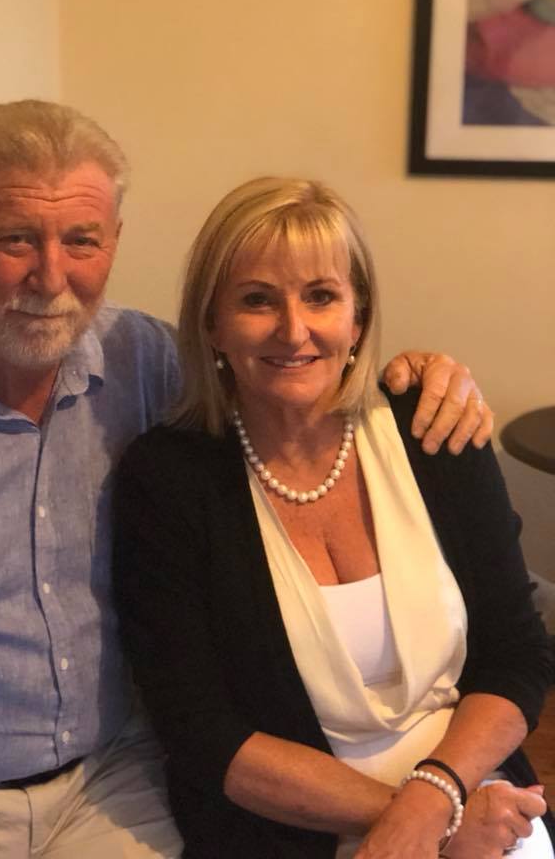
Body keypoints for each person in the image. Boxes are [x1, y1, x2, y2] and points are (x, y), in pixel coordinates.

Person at [0, 102, 492, 859]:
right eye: (14, 239)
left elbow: (288, 374)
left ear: (114, 241)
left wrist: (422, 377)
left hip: (110, 780)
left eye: (81, 240)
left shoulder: (143, 360)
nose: (51, 276)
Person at [113, 176, 555, 859]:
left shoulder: (433, 428)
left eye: (321, 296)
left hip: (474, 786)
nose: (294, 330)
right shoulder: (167, 479)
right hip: (288, 825)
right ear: (211, 324)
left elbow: (516, 655)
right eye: (257, 300)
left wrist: (440, 793)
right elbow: (202, 732)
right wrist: (421, 821)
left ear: (358, 317)